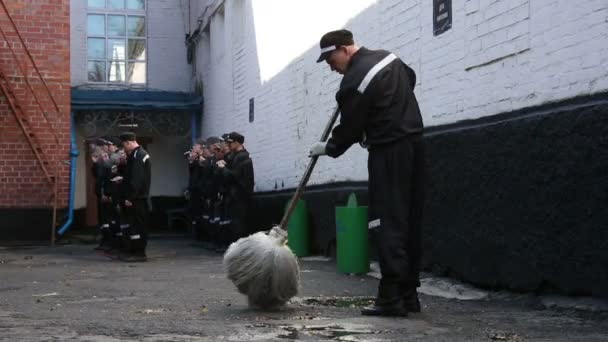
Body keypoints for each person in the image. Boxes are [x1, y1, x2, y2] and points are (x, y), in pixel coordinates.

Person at [310, 29, 425, 317]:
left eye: (330, 59)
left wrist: (329, 147)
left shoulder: (353, 81)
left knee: (385, 222)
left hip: (388, 152)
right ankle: (409, 294)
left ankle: (390, 299)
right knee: (409, 220)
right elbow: (410, 79)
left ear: (346, 49)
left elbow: (349, 126)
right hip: (416, 146)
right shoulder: (390, 58)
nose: (330, 66)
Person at [216, 132, 254, 250]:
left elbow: (234, 176)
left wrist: (223, 168)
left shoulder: (241, 157)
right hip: (238, 195)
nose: (228, 144)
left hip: (238, 195)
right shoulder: (238, 156)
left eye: (230, 142)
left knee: (238, 223)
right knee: (236, 222)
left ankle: (239, 249)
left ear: (237, 142)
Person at [119, 132, 151, 262]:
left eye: (124, 145)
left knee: (138, 225)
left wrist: (130, 197)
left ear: (128, 142)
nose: (123, 148)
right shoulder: (135, 155)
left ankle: (140, 252)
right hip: (136, 197)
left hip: (138, 198)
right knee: (133, 225)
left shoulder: (139, 155)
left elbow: (137, 179)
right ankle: (133, 250)